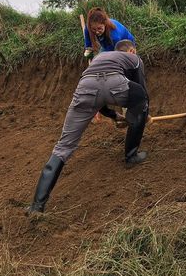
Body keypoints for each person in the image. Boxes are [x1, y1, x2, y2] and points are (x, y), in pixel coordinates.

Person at [27, 39, 149, 214]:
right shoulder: (134, 59)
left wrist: (114, 116)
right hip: (116, 85)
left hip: (85, 88)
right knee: (142, 99)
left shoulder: (100, 58)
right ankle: (131, 156)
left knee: (63, 147)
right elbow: (140, 89)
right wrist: (140, 114)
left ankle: (36, 206)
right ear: (132, 51)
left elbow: (98, 95)